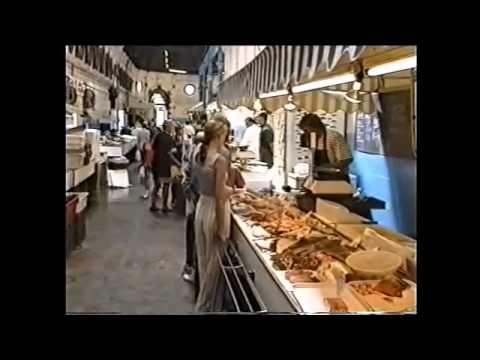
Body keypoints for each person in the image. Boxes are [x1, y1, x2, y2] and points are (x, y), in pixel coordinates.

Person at [194, 116, 235, 312]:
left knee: (204, 264)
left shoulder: (199, 154)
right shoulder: (219, 160)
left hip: (201, 207)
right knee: (214, 269)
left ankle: (205, 306)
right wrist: (221, 226)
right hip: (215, 211)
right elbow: (220, 195)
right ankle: (204, 308)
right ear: (219, 135)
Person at [298, 113, 353, 182]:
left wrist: (325, 167)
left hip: (337, 180)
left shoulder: (333, 136)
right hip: (319, 178)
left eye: (306, 130)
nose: (305, 133)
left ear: (315, 127)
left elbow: (347, 160)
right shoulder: (312, 138)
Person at [181, 131, 204, 285]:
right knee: (195, 237)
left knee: (192, 234)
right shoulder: (201, 157)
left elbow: (188, 175)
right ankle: (192, 268)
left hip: (194, 202)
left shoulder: (195, 152)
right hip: (199, 203)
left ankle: (190, 266)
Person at [150, 122, 181, 213]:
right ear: (168, 128)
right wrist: (178, 163)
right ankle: (164, 205)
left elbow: (152, 147)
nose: (173, 128)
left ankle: (153, 204)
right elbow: (171, 153)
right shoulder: (170, 139)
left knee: (157, 184)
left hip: (156, 163)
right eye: (171, 127)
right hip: (166, 164)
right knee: (166, 185)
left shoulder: (158, 136)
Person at [132, 121, 152, 199]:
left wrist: (137, 148)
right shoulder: (148, 132)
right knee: (147, 173)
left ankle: (147, 190)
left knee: (146, 171)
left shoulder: (140, 132)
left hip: (142, 148)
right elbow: (148, 140)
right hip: (146, 148)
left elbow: (138, 140)